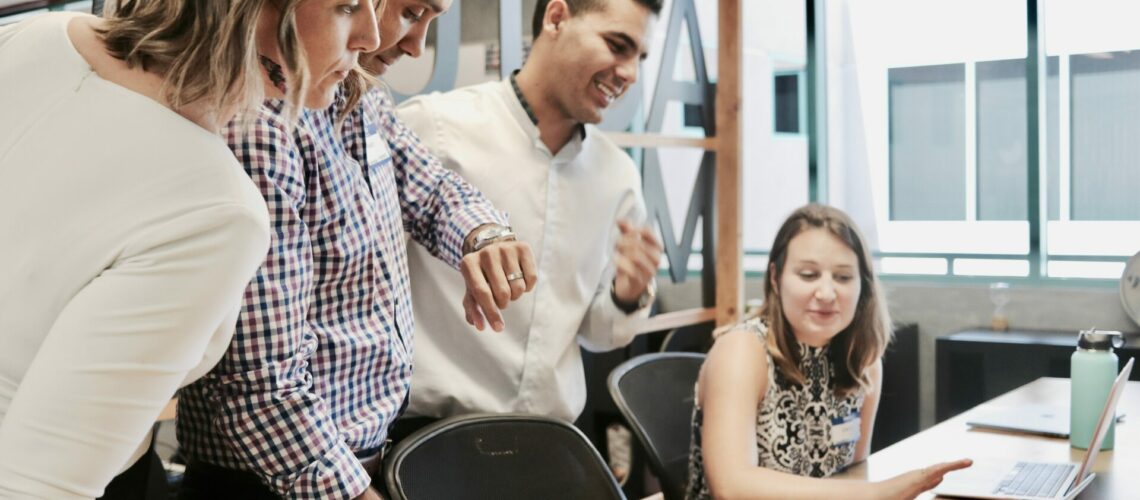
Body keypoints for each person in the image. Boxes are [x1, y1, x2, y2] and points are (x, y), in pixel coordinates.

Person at [175, 1, 535, 499]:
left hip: (355, 465)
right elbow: (259, 385)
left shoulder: (354, 94)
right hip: (274, 484)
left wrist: (486, 237)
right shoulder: (258, 126)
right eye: (410, 12)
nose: (414, 45)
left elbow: (432, 192)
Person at [0, 0, 320, 496]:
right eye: (347, 7)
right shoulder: (217, 208)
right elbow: (39, 484)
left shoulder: (36, 36)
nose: (369, 33)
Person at [390, 0, 664, 429]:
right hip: (427, 437)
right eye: (617, 45)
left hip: (551, 443)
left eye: (639, 58)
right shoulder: (433, 129)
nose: (629, 73)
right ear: (556, 18)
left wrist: (626, 294)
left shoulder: (618, 177)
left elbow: (599, 331)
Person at [685, 204, 972, 500]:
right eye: (808, 275)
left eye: (843, 277)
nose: (826, 293)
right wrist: (878, 493)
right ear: (775, 277)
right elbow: (731, 488)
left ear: (864, 286)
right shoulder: (742, 350)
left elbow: (852, 477)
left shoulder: (864, 361)